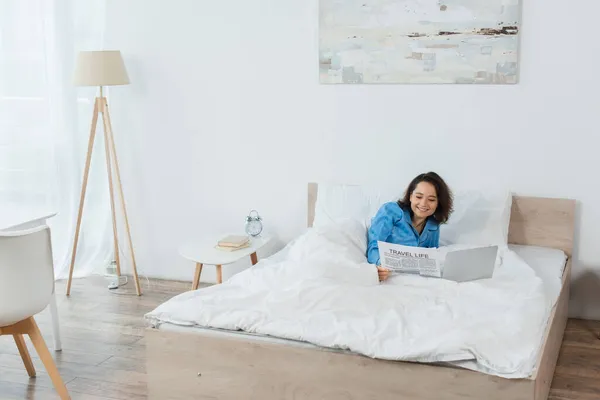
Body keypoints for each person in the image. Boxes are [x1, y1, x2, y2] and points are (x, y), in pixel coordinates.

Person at [367, 172, 453, 282]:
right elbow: (374, 244)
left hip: (413, 280)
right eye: (418, 197)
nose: (423, 204)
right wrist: (379, 265)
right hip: (387, 274)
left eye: (431, 200)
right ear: (411, 196)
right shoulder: (390, 211)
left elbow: (431, 256)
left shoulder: (433, 226)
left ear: (438, 203)